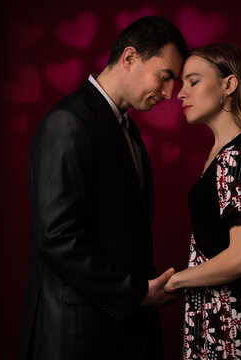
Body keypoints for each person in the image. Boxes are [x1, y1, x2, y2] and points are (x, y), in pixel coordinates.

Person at [18, 16, 187, 360]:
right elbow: (57, 237)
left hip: (119, 332)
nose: (170, 93)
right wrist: (137, 293)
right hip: (74, 336)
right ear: (129, 58)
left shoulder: (129, 131)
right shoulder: (67, 122)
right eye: (165, 76)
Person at [164, 43, 241, 359]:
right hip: (218, 317)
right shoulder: (221, 155)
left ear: (229, 85)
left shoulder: (237, 156)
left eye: (193, 81)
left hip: (235, 322)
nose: (180, 93)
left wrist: (175, 281)